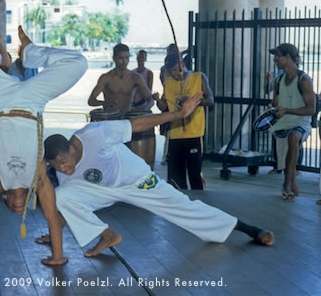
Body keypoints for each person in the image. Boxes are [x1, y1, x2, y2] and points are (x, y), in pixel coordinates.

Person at [37, 93, 274, 257]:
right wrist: (53, 232)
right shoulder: (63, 170)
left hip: (138, 182)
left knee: (186, 207)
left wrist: (178, 115)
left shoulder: (96, 133)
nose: (63, 169)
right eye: (57, 167)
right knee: (60, 194)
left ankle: (251, 230)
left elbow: (138, 124)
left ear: (71, 147)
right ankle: (108, 236)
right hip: (103, 190)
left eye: (64, 163)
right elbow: (67, 205)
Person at [0, 26, 88, 266]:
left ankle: (0, 59)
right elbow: (53, 219)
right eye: (20, 207)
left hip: (1, 100)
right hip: (32, 102)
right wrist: (57, 258)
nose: (16, 207)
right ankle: (31, 53)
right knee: (79, 63)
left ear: (3, 198)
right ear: (28, 201)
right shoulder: (39, 180)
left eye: (11, 206)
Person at [155, 52, 214, 190]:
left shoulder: (198, 77)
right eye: (171, 72)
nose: (174, 74)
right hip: (175, 134)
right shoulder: (168, 82)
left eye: (176, 70)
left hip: (193, 133)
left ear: (183, 64)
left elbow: (210, 100)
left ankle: (200, 202)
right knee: (175, 176)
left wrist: (194, 102)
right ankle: (179, 202)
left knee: (195, 174)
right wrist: (157, 100)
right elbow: (163, 106)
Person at [269, 43, 315, 202]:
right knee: (287, 155)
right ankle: (292, 182)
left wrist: (287, 110)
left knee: (293, 137)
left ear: (288, 57)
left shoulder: (304, 80)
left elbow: (311, 110)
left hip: (301, 122)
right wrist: (274, 106)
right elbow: (275, 103)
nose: (275, 59)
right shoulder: (278, 80)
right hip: (282, 123)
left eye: (278, 56)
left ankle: (286, 185)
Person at [88, 43, 154, 115]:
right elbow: (91, 101)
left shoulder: (135, 77)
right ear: (114, 58)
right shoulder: (106, 77)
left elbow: (150, 99)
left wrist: (144, 108)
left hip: (127, 118)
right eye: (121, 58)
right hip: (110, 118)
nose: (124, 61)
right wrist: (104, 103)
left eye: (127, 58)